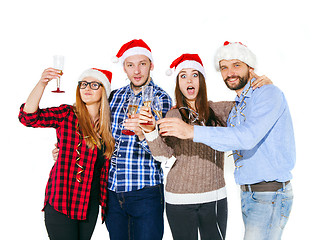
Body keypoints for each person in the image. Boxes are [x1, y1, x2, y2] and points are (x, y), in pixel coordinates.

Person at [157, 41, 295, 240]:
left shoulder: (267, 94)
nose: (230, 72)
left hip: (269, 193)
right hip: (249, 194)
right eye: (224, 67)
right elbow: (164, 152)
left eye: (236, 65)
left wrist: (192, 131)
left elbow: (246, 137)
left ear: (251, 67)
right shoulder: (237, 106)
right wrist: (149, 133)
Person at [138, 53, 271, 240]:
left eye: (194, 74)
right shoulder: (173, 114)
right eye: (183, 76)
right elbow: (163, 156)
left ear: (201, 80)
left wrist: (264, 88)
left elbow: (251, 110)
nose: (189, 80)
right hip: (178, 199)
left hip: (214, 198)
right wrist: (150, 131)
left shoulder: (221, 110)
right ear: (178, 83)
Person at [18, 67, 115, 240]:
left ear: (104, 91)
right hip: (63, 199)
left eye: (94, 85)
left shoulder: (109, 126)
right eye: (83, 84)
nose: (87, 88)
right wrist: (42, 83)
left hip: (89, 204)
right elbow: (28, 118)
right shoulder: (67, 114)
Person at [106, 39, 172, 240]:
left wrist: (143, 134)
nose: (137, 71)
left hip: (145, 191)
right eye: (130, 65)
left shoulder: (162, 98)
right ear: (124, 69)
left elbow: (166, 151)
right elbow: (102, 137)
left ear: (151, 65)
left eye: (142, 64)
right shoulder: (114, 96)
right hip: (113, 190)